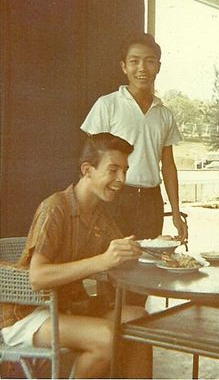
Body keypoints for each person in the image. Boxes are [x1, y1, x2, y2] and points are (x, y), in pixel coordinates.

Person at [0, 133, 152, 379]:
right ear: (87, 170)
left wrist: (154, 251)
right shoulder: (55, 207)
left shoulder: (99, 214)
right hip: (28, 314)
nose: (121, 179)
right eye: (113, 170)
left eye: (124, 170)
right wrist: (102, 261)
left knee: (140, 322)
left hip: (67, 308)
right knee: (106, 337)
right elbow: (37, 278)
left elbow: (122, 257)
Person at [80, 32, 187, 244]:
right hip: (112, 196)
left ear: (158, 66)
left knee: (148, 263)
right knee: (109, 265)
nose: (142, 68)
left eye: (149, 61)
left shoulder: (164, 114)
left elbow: (168, 166)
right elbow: (90, 161)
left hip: (151, 201)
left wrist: (176, 212)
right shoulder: (107, 104)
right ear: (123, 67)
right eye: (134, 61)